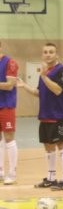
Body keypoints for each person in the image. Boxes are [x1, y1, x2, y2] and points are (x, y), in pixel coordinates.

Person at [18, 43, 63, 190]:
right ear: (42, 55)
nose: (48, 54)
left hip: (59, 115)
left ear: (57, 55)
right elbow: (39, 93)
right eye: (45, 52)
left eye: (51, 52)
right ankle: (51, 178)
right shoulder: (45, 73)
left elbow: (57, 90)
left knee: (61, 145)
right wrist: (24, 86)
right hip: (45, 114)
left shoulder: (62, 71)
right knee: (48, 146)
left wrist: (43, 76)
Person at [0, 39, 19, 185]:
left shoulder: (10, 62)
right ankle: (0, 171)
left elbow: (10, 85)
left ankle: (12, 174)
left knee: (9, 138)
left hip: (6, 105)